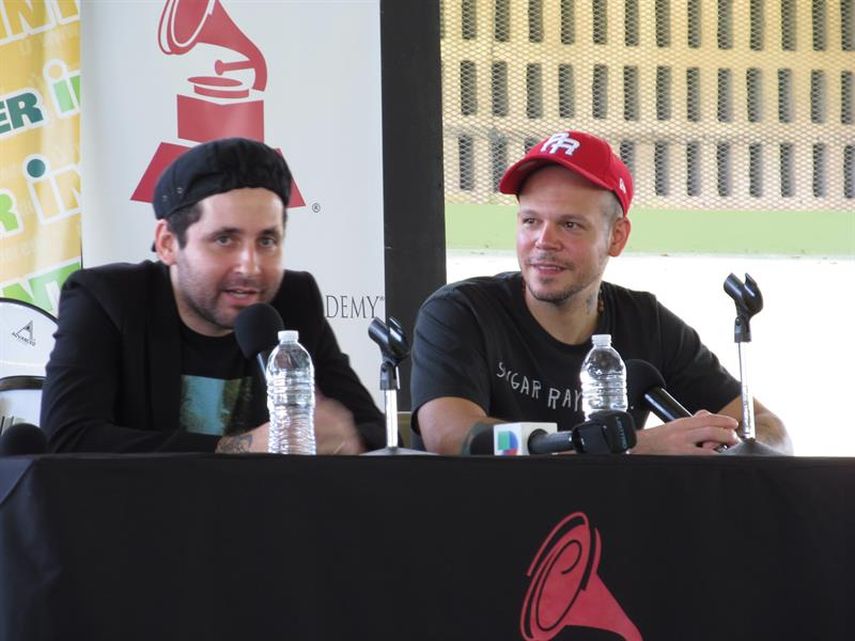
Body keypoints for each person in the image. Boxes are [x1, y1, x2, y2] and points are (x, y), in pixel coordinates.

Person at [411, 130, 791, 456]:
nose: (544, 241)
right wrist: (632, 447)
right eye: (530, 221)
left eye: (571, 225)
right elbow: (451, 435)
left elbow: (770, 430)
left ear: (617, 236)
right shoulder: (462, 312)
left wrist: (736, 448)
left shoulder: (648, 323)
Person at [41, 137, 383, 454]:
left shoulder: (294, 300)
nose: (250, 267)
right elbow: (69, 438)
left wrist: (342, 436)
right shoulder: (107, 300)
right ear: (168, 243)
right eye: (225, 240)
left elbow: (372, 428)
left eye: (266, 241)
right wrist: (240, 447)